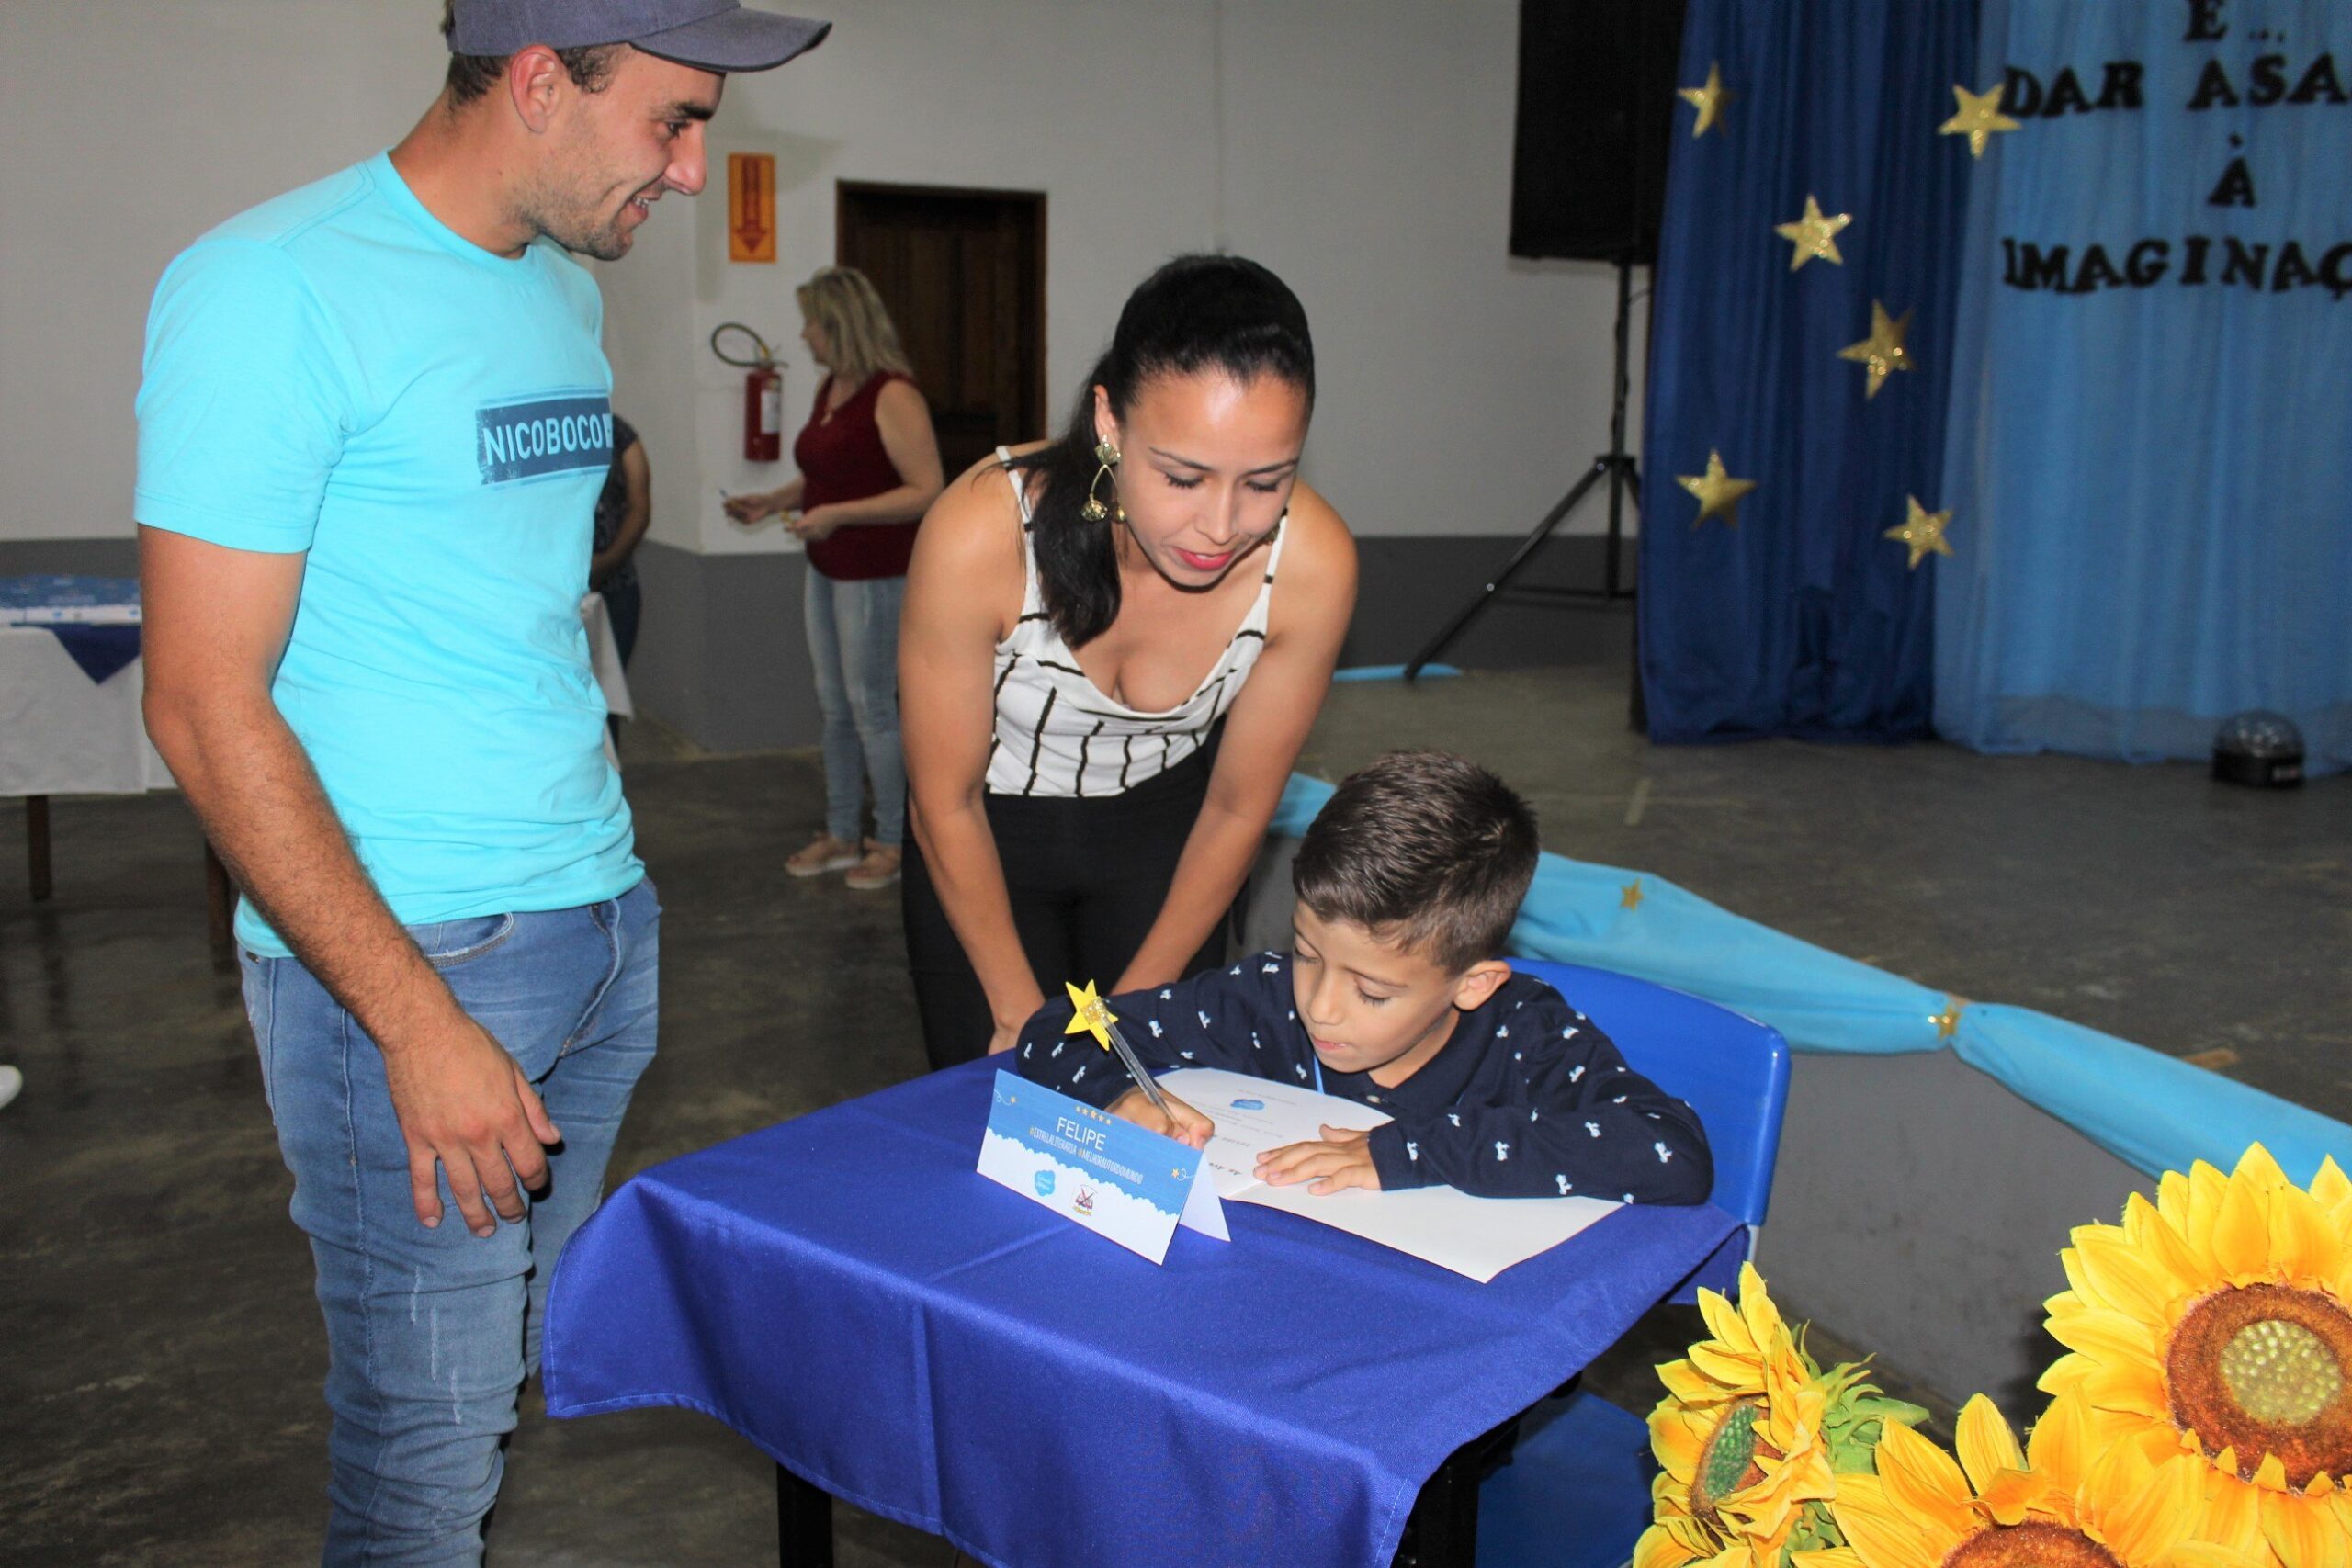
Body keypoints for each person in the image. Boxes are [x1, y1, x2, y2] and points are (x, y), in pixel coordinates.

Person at [133, 4, 829, 1562]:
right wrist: (412, 1020)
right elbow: (198, 699)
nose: (697, 169)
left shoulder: (564, 294)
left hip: (594, 925)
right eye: (672, 118)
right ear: (536, 81)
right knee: (421, 1452)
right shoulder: (270, 288)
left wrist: (615, 904)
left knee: (494, 1387)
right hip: (419, 963)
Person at [899, 254, 1358, 1070]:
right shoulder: (982, 532)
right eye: (1182, 476)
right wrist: (1015, 1010)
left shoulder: (1312, 565)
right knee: (991, 1101)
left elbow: (1236, 809)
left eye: (1266, 481)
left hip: (1166, 832)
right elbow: (946, 795)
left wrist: (1137, 1011)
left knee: (1154, 1089)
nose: (1220, 525)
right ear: (1110, 422)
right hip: (985, 832)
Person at [1014, 750, 1713, 1203]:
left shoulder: (1526, 1036)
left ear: (1472, 984)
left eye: (1372, 991)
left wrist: (1413, 1152)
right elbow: (1058, 1029)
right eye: (1307, 953)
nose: (1320, 1008)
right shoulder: (1262, 1002)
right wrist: (1119, 1095)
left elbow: (1671, 1151)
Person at [724, 268, 943, 891]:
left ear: (839, 323)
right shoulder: (832, 388)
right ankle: (843, 832)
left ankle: (893, 841)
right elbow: (829, 474)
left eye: (811, 322)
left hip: (873, 574)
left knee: (872, 707)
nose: (804, 334)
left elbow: (927, 490)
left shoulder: (892, 394)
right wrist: (771, 502)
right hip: (827, 566)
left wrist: (838, 515)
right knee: (835, 707)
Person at [592, 413, 650, 667]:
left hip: (616, 583)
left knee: (611, 689)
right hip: (554, 587)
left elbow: (640, 508)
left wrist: (606, 562)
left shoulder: (618, 432)